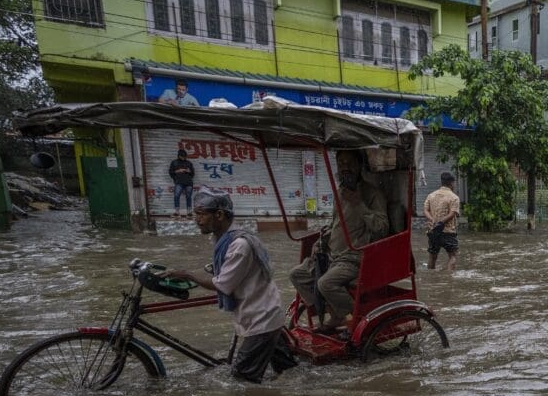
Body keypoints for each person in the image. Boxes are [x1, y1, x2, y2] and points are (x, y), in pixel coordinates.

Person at [166, 189, 296, 383]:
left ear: (218, 215)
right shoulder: (223, 239)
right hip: (260, 312)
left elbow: (223, 285)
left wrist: (188, 275)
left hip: (261, 318)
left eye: (201, 214)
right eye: (196, 214)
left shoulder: (239, 245)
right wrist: (184, 273)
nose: (197, 219)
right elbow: (219, 269)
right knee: (288, 371)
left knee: (242, 380)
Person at [289, 150, 389, 332]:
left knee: (326, 283)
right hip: (332, 254)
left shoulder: (372, 194)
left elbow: (382, 228)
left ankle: (357, 320)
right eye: (341, 163)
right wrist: (321, 241)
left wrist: (360, 205)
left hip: (355, 257)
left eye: (349, 162)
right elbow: (335, 224)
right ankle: (335, 313)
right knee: (297, 274)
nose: (345, 167)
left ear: (359, 165)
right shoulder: (340, 193)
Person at [423, 172, 462, 271]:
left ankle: (431, 278)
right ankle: (449, 279)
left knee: (432, 256)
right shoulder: (454, 197)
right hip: (448, 232)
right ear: (451, 183)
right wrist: (441, 222)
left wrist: (433, 220)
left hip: (433, 231)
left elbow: (425, 210)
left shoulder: (431, 195)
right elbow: (452, 214)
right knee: (453, 256)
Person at [168, 149, 195, 217]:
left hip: (188, 182)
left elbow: (193, 174)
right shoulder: (174, 162)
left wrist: (189, 171)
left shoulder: (189, 163)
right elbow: (171, 172)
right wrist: (178, 171)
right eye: (182, 156)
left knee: (188, 197)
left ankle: (189, 212)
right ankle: (177, 212)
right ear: (179, 156)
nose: (184, 157)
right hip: (179, 182)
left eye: (185, 156)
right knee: (176, 196)